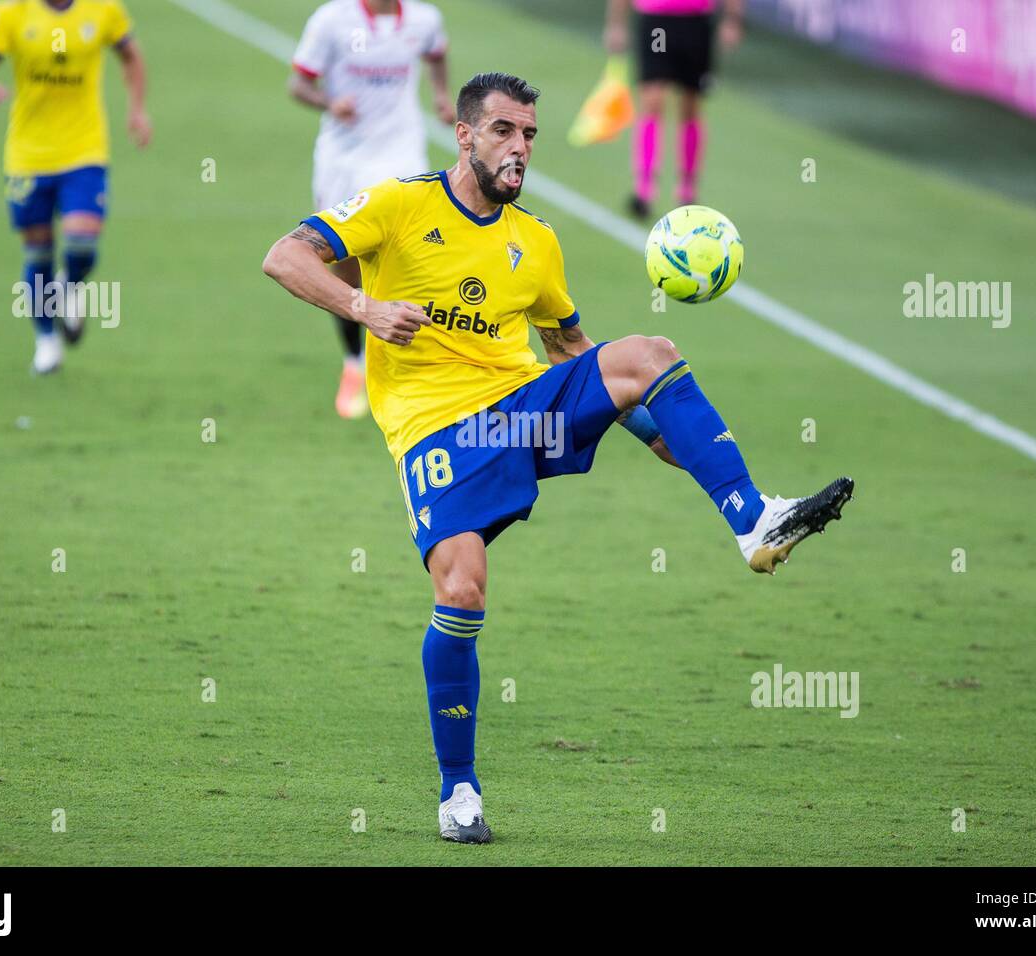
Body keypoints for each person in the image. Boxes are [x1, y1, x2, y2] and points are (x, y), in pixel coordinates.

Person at [263, 72, 853, 843]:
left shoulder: (535, 242)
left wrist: (663, 439)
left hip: (519, 414)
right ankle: (460, 791)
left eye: (531, 135)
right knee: (464, 591)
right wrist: (363, 307)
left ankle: (753, 518)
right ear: (465, 134)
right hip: (441, 435)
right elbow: (285, 256)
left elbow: (580, 357)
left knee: (649, 351)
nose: (520, 149)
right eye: (505, 131)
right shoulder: (399, 204)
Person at [290, 0, 455, 418]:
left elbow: (436, 52)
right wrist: (330, 103)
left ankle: (417, 369)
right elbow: (298, 85)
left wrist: (440, 95)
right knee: (345, 267)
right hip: (343, 160)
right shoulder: (332, 20)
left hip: (402, 154)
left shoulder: (424, 19)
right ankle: (353, 361)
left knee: (414, 259)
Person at [0, 0, 151, 374]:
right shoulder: (10, 12)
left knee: (82, 243)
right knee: (38, 253)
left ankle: (68, 286)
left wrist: (137, 109)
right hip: (27, 155)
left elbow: (131, 56)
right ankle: (46, 341)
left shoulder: (103, 10)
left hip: (84, 150)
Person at [604, 0, 745, 218]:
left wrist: (733, 18)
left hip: (695, 21)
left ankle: (687, 189)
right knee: (653, 98)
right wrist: (616, 23)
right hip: (657, 20)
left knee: (691, 106)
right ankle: (644, 189)